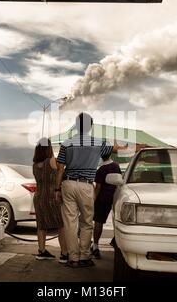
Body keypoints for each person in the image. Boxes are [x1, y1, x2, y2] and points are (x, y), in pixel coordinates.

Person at [55, 112, 128, 268]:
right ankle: (85, 257)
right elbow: (117, 149)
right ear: (90, 126)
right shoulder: (98, 143)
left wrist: (57, 190)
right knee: (87, 222)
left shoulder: (66, 143)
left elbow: (60, 169)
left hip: (68, 184)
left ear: (76, 124)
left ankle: (73, 258)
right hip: (86, 185)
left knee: (70, 223)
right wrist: (133, 146)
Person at [32, 138, 68, 263]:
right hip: (52, 197)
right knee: (61, 224)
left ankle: (42, 251)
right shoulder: (52, 161)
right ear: (48, 148)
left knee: (41, 225)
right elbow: (61, 173)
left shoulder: (35, 165)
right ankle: (64, 253)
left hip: (39, 197)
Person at [91, 151, 121, 259]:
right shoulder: (116, 166)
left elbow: (98, 187)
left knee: (98, 222)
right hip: (114, 198)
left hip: (102, 199)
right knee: (117, 222)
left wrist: (93, 200)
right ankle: (115, 241)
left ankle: (95, 247)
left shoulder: (101, 170)